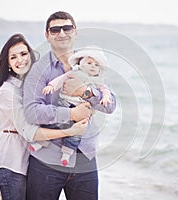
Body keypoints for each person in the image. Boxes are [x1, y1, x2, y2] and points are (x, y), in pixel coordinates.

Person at [23, 11, 116, 200]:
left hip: (85, 158)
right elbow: (31, 111)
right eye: (55, 29)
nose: (62, 33)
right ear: (47, 35)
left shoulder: (92, 64)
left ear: (76, 32)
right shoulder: (38, 69)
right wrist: (71, 114)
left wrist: (85, 92)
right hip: (47, 160)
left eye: (67, 28)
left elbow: (110, 106)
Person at [0, 33, 88, 200]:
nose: (20, 60)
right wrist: (69, 131)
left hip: (31, 162)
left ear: (30, 54)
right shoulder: (7, 91)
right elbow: (29, 130)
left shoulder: (33, 84)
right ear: (7, 63)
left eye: (23, 54)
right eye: (13, 57)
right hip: (12, 162)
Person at [29, 46, 113, 167]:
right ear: (82, 64)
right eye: (89, 63)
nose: (93, 66)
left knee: (76, 133)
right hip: (65, 103)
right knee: (54, 123)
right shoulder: (75, 72)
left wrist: (105, 98)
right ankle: (41, 142)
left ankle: (66, 154)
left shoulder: (98, 81)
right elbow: (61, 79)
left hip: (83, 110)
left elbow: (106, 91)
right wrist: (52, 86)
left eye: (96, 65)